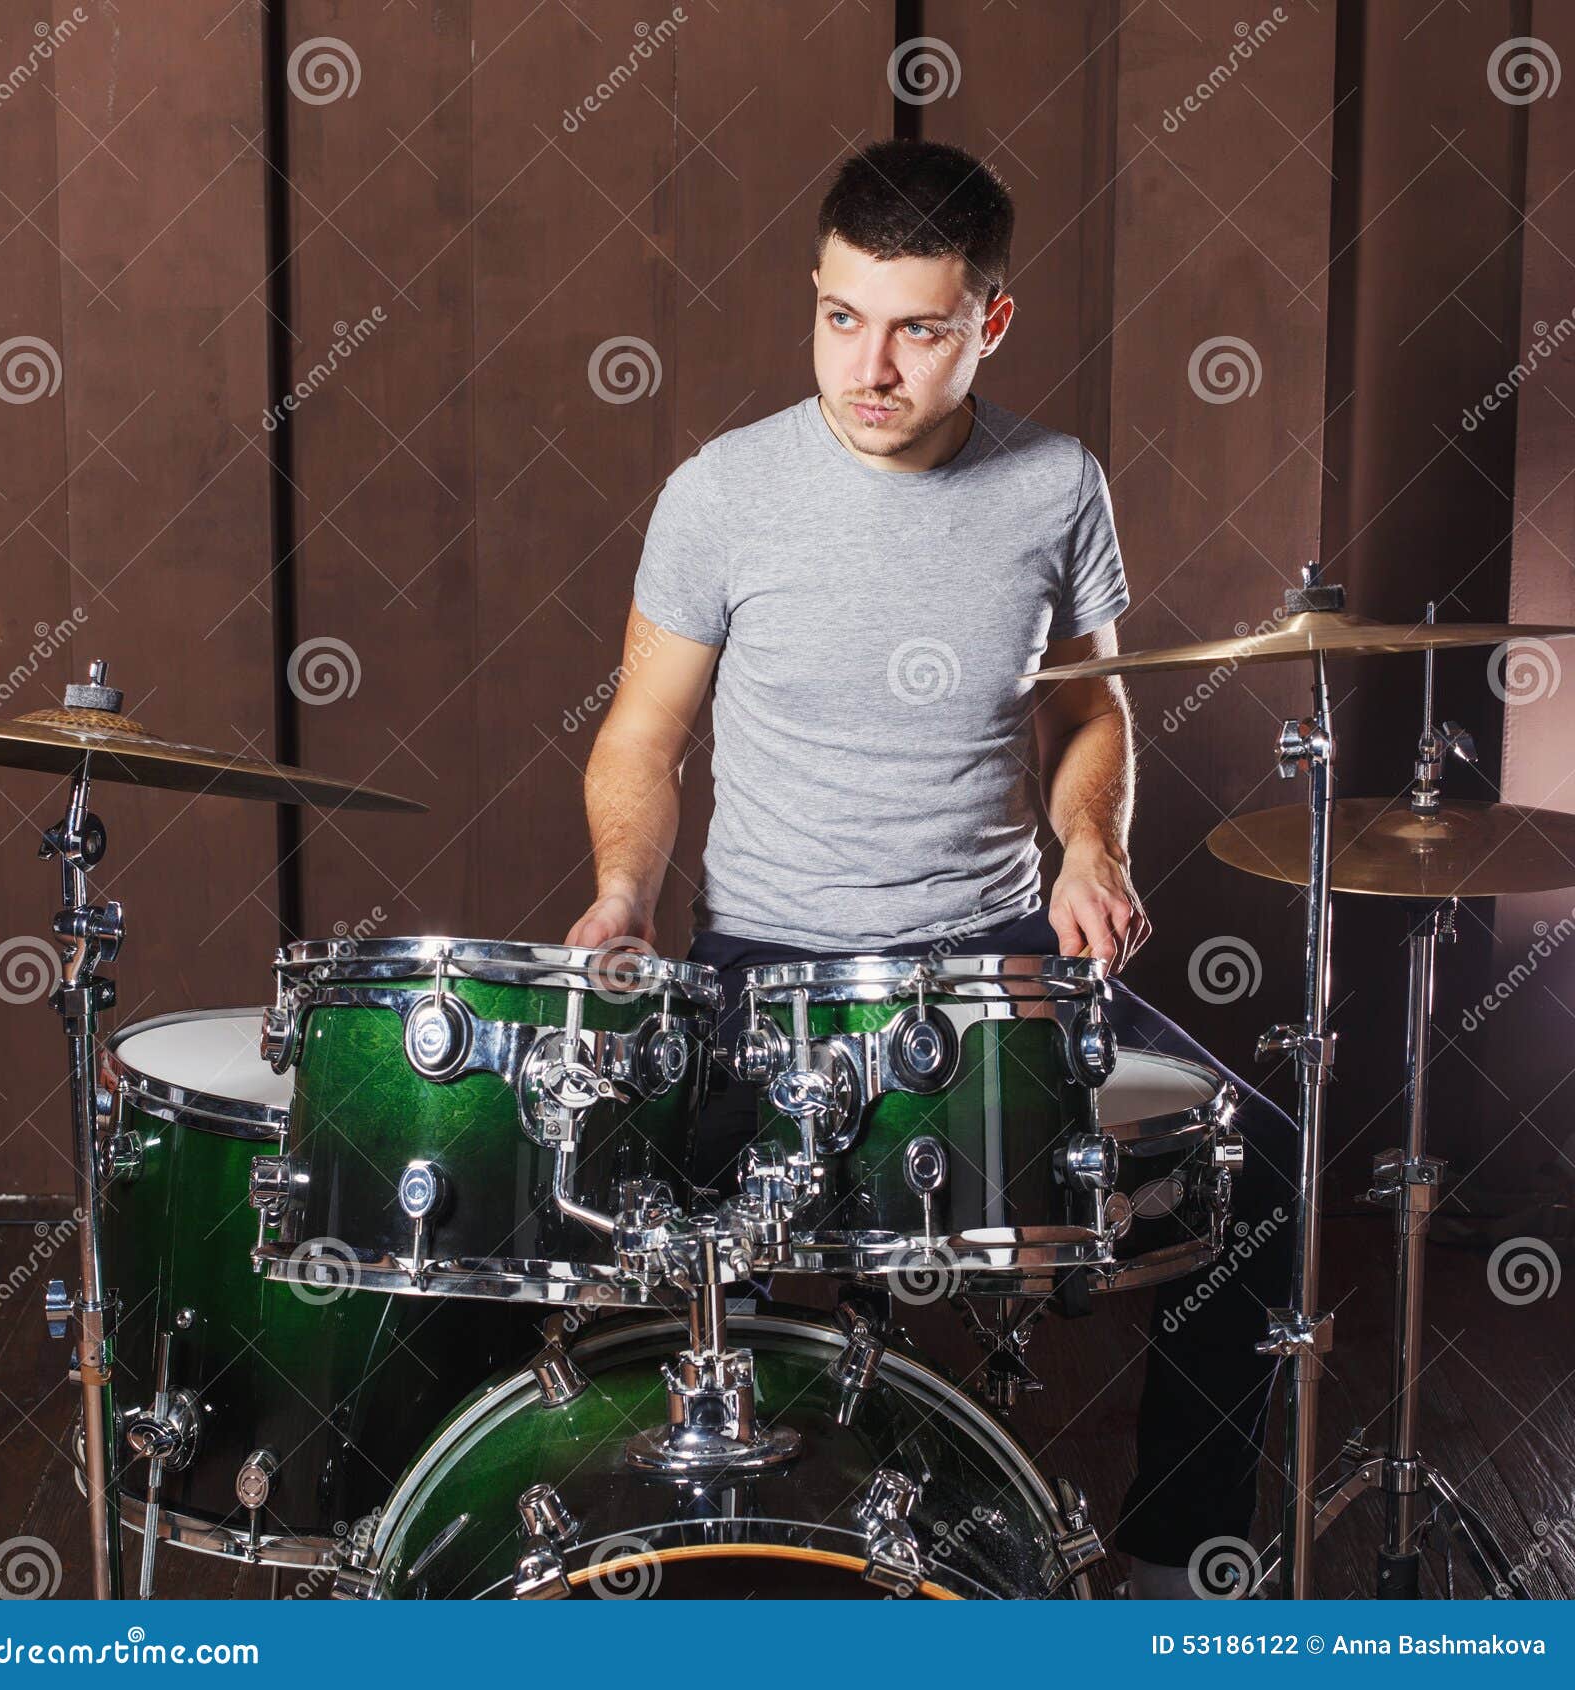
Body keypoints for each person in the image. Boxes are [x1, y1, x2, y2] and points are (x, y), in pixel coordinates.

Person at [567, 137, 1297, 1599]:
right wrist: (625, 896)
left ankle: (1165, 1564)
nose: (872, 366)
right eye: (843, 317)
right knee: (632, 1205)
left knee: (1255, 1164)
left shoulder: (1056, 485)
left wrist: (1092, 846)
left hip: (995, 961)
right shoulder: (721, 491)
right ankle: (713, 1574)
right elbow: (642, 738)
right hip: (759, 965)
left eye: (917, 327)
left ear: (991, 324)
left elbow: (1092, 710)